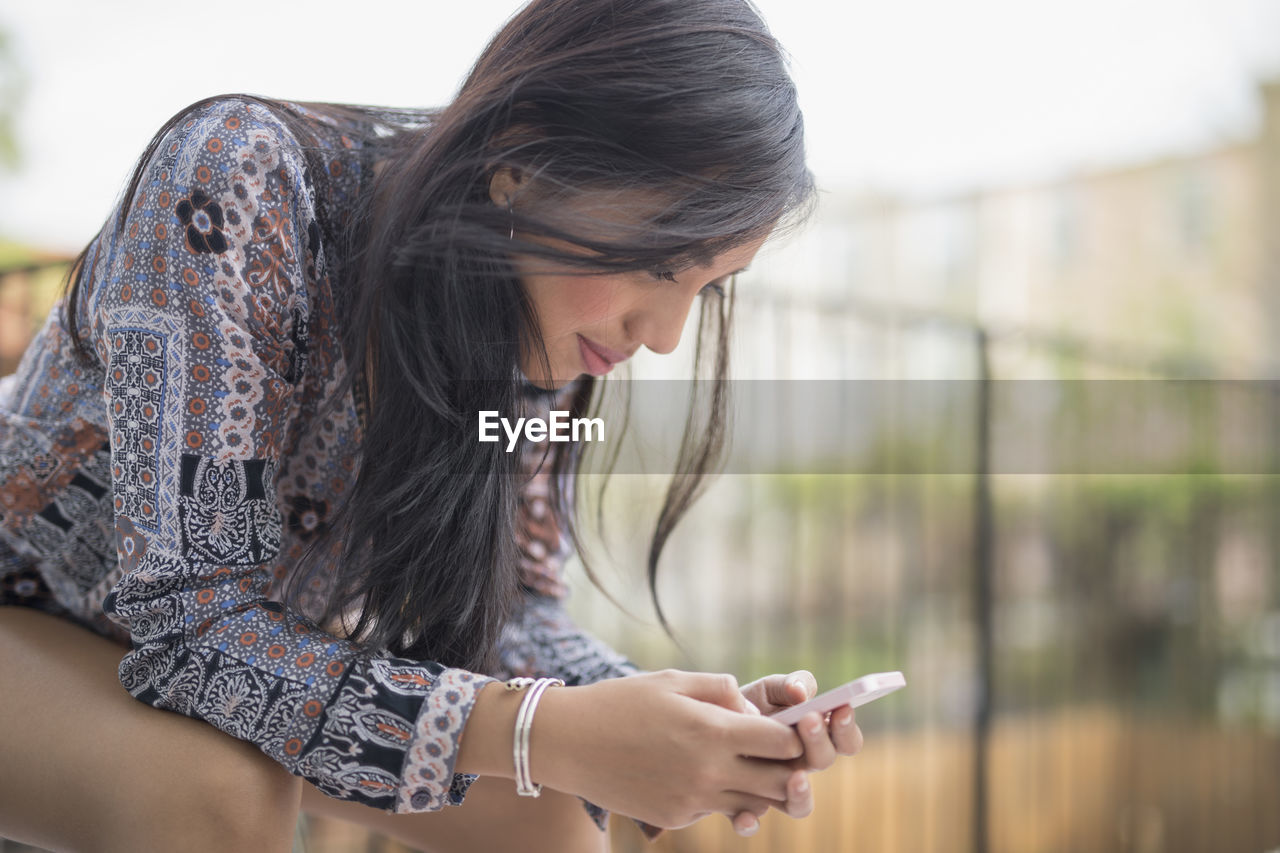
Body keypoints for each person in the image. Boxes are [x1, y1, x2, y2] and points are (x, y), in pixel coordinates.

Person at [0, 0, 865, 850]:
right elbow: (191, 629)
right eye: (659, 262)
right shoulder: (238, 181)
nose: (666, 337)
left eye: (705, 285)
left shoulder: (537, 335)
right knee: (212, 790)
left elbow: (517, 611)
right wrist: (543, 729)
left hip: (215, 656)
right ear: (522, 156)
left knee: (552, 810)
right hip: (45, 606)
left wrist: (680, 717)